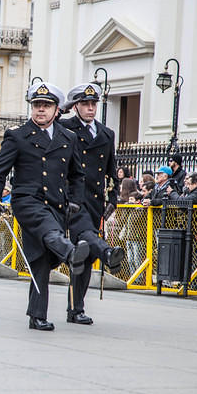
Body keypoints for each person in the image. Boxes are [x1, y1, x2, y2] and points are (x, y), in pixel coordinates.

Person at [0, 82, 90, 331]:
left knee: (42, 260)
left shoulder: (69, 137)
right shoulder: (18, 135)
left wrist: (75, 200)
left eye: (46, 106)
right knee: (50, 234)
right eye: (36, 106)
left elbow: (77, 175)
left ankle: (37, 315)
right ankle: (70, 252)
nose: (40, 110)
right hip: (27, 201)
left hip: (57, 204)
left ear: (57, 110)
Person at [60, 83, 125, 325]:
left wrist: (114, 198)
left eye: (93, 104)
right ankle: (108, 253)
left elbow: (111, 170)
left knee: (85, 257)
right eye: (85, 104)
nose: (90, 108)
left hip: (96, 199)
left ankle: (76, 309)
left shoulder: (106, 134)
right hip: (73, 199)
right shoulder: (65, 127)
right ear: (75, 106)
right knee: (86, 239)